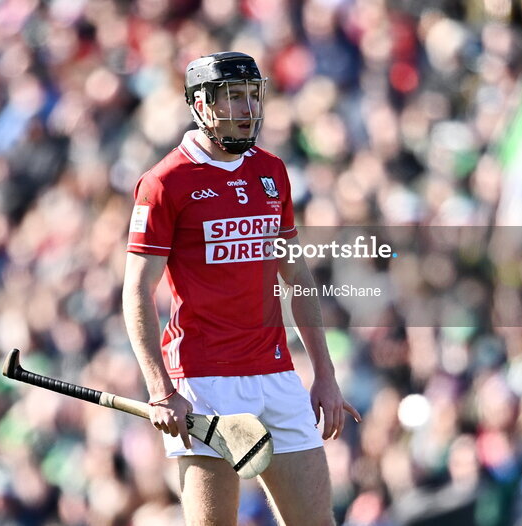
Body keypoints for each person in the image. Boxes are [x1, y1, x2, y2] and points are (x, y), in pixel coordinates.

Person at [122, 51, 361, 525]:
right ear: (202, 106)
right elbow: (137, 293)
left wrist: (325, 375)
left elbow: (295, 275)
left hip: (276, 373)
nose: (248, 108)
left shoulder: (271, 171)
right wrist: (161, 389)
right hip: (203, 381)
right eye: (234, 97)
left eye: (253, 95)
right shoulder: (164, 183)